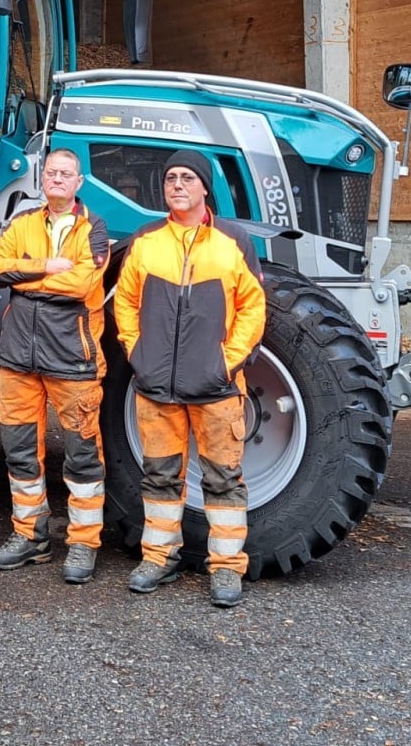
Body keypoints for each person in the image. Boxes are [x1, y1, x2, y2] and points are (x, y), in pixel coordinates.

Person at [112, 148, 266, 608]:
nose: (177, 185)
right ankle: (159, 558)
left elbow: (253, 308)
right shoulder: (146, 240)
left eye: (187, 178)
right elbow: (126, 303)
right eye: (171, 178)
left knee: (223, 479)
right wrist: (139, 354)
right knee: (159, 477)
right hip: (156, 387)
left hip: (216, 389)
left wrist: (226, 362)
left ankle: (225, 568)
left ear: (204, 187)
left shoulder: (233, 240)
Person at [0, 147, 110, 583]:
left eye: (66, 174)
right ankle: (31, 535)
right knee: (19, 452)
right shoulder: (22, 224)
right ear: (43, 180)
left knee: (82, 456)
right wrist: (44, 267)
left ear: (79, 183)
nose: (57, 179)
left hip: (72, 357)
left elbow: (82, 282)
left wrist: (27, 280)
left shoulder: (94, 228)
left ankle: (83, 542)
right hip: (19, 356)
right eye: (51, 172)